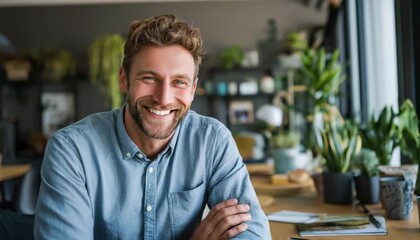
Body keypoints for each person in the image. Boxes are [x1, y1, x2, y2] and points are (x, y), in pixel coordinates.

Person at [34, 14, 271, 239]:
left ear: (192, 89)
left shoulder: (212, 140)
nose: (163, 98)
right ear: (123, 79)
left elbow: (253, 233)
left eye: (179, 82)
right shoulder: (71, 151)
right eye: (149, 78)